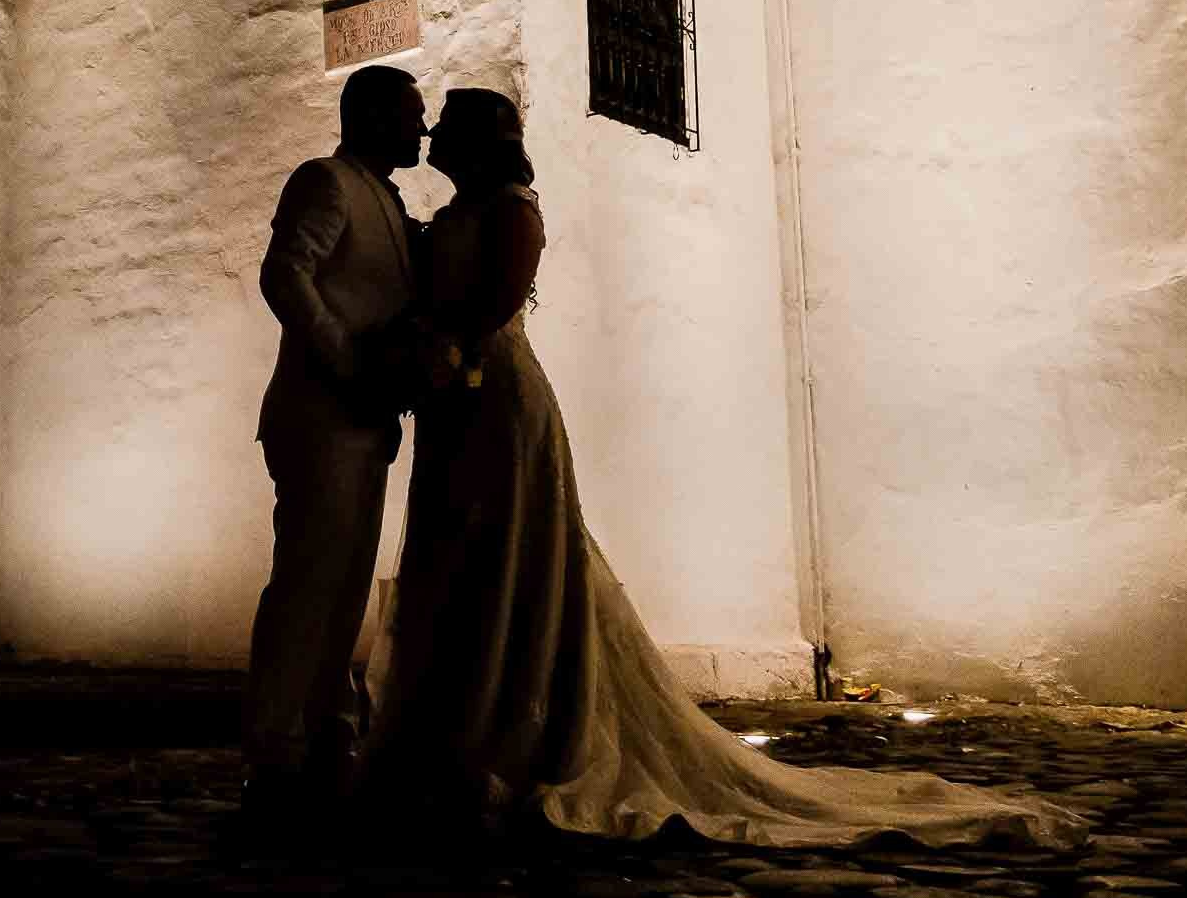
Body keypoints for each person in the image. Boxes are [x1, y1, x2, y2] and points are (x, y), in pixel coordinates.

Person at [362, 87, 1086, 851]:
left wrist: (442, 346)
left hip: (498, 399)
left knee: (503, 551)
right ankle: (448, 734)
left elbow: (491, 307)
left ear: (477, 141)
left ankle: (507, 732)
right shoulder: (446, 215)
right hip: (451, 409)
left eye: (446, 124)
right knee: (454, 556)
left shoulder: (513, 208)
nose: (432, 133)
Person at [244, 64, 427, 833]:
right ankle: (277, 748)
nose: (421, 131)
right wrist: (346, 359)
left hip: (364, 420)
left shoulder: (387, 199)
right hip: (320, 413)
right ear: (372, 116)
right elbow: (286, 275)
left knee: (347, 585)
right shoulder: (324, 181)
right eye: (410, 116)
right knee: (307, 583)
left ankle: (328, 733)